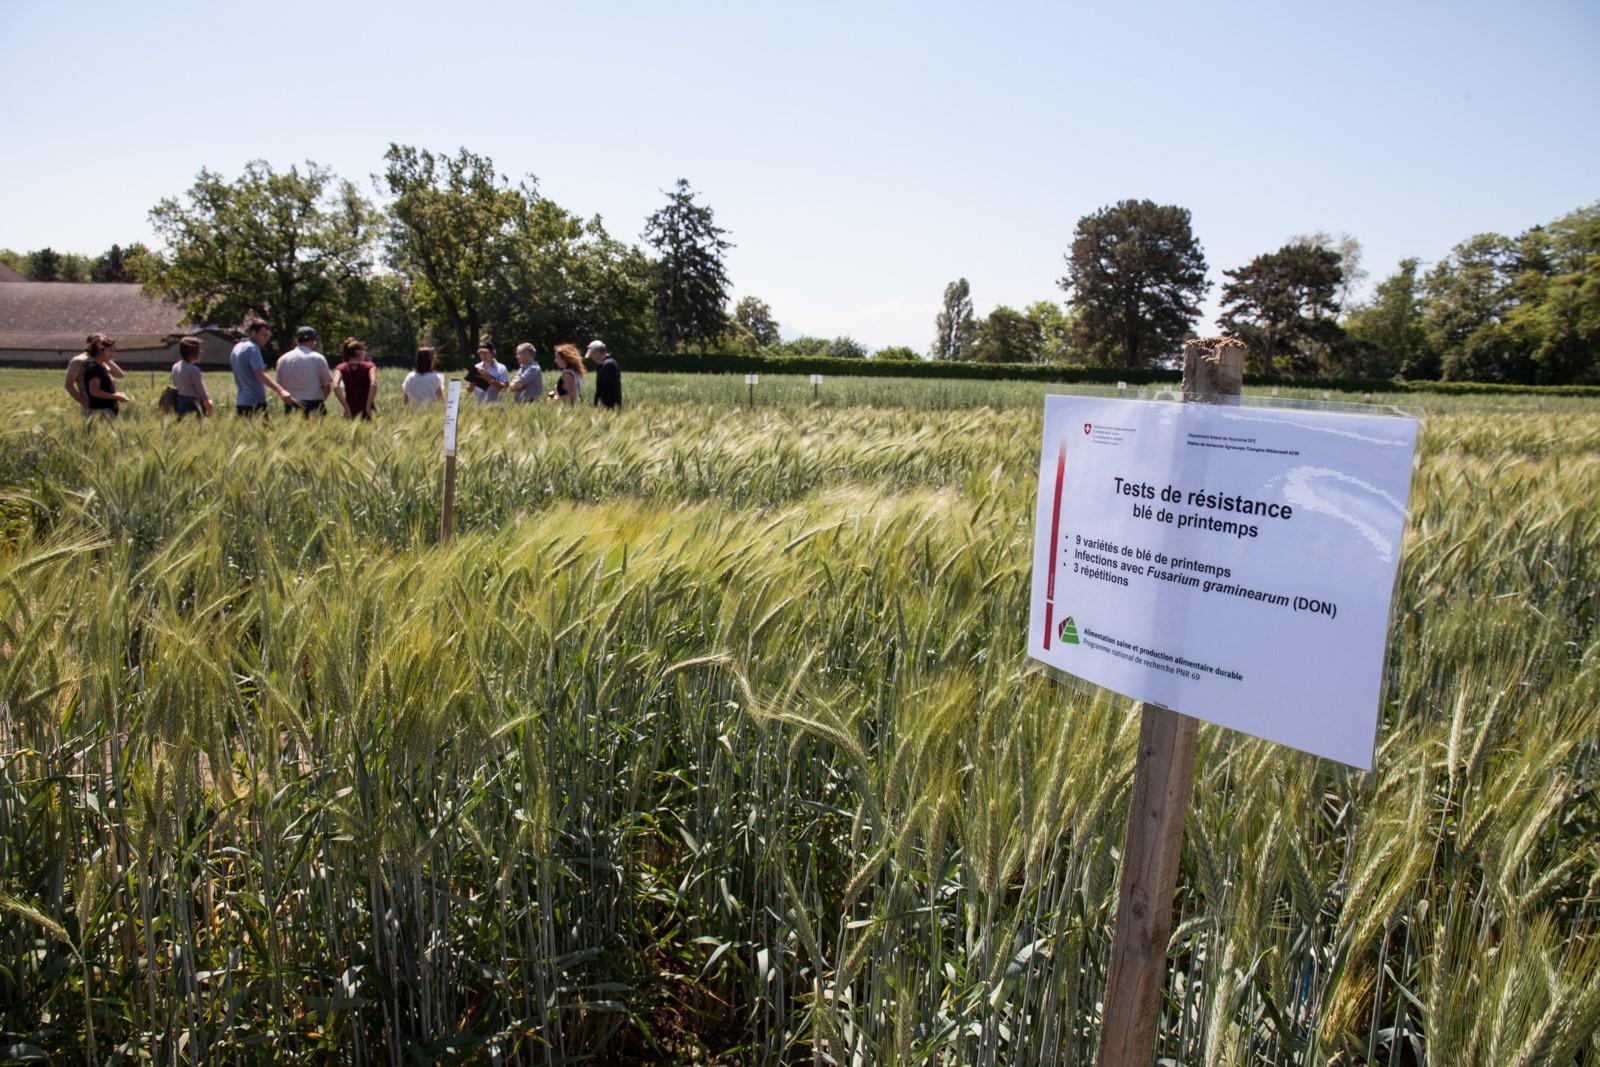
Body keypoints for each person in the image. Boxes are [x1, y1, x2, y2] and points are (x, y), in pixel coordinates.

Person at [230, 319, 294, 416]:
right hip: (255, 402)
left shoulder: (237, 347)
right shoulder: (253, 348)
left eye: (267, 336)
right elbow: (260, 373)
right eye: (264, 335)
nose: (266, 339)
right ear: (252, 333)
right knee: (265, 431)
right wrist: (281, 390)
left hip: (241, 401)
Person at [275, 326, 333, 416]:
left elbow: (279, 386)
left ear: (297, 341)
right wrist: (321, 400)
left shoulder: (283, 359)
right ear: (313, 341)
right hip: (314, 405)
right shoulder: (319, 358)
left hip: (292, 406)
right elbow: (327, 387)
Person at [65, 333, 124, 414]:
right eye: (100, 342)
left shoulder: (102, 359)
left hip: (108, 405)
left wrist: (107, 358)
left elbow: (119, 375)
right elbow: (69, 385)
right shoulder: (79, 361)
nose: (104, 344)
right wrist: (84, 402)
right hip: (93, 406)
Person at [82, 335, 130, 418]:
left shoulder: (101, 365)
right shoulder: (94, 367)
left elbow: (120, 375)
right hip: (99, 411)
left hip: (106, 410)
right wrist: (116, 396)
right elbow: (94, 391)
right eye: (110, 350)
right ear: (100, 351)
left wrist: (107, 359)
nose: (112, 353)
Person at [333, 337, 377, 419]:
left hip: (350, 410)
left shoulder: (341, 367)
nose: (365, 353)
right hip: (368, 411)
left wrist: (346, 408)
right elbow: (373, 384)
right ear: (359, 352)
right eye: (363, 351)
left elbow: (335, 386)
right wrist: (368, 406)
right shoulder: (370, 366)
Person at [170, 336, 213, 418]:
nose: (201, 352)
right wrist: (210, 411)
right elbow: (202, 394)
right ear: (192, 352)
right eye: (198, 349)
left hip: (179, 404)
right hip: (193, 406)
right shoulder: (193, 370)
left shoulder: (175, 366)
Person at [589, 339, 621, 410]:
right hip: (612, 405)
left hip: (608, 405)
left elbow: (607, 388)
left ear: (597, 352)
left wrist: (599, 404)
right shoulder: (611, 362)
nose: (592, 356)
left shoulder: (607, 365)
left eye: (592, 353)